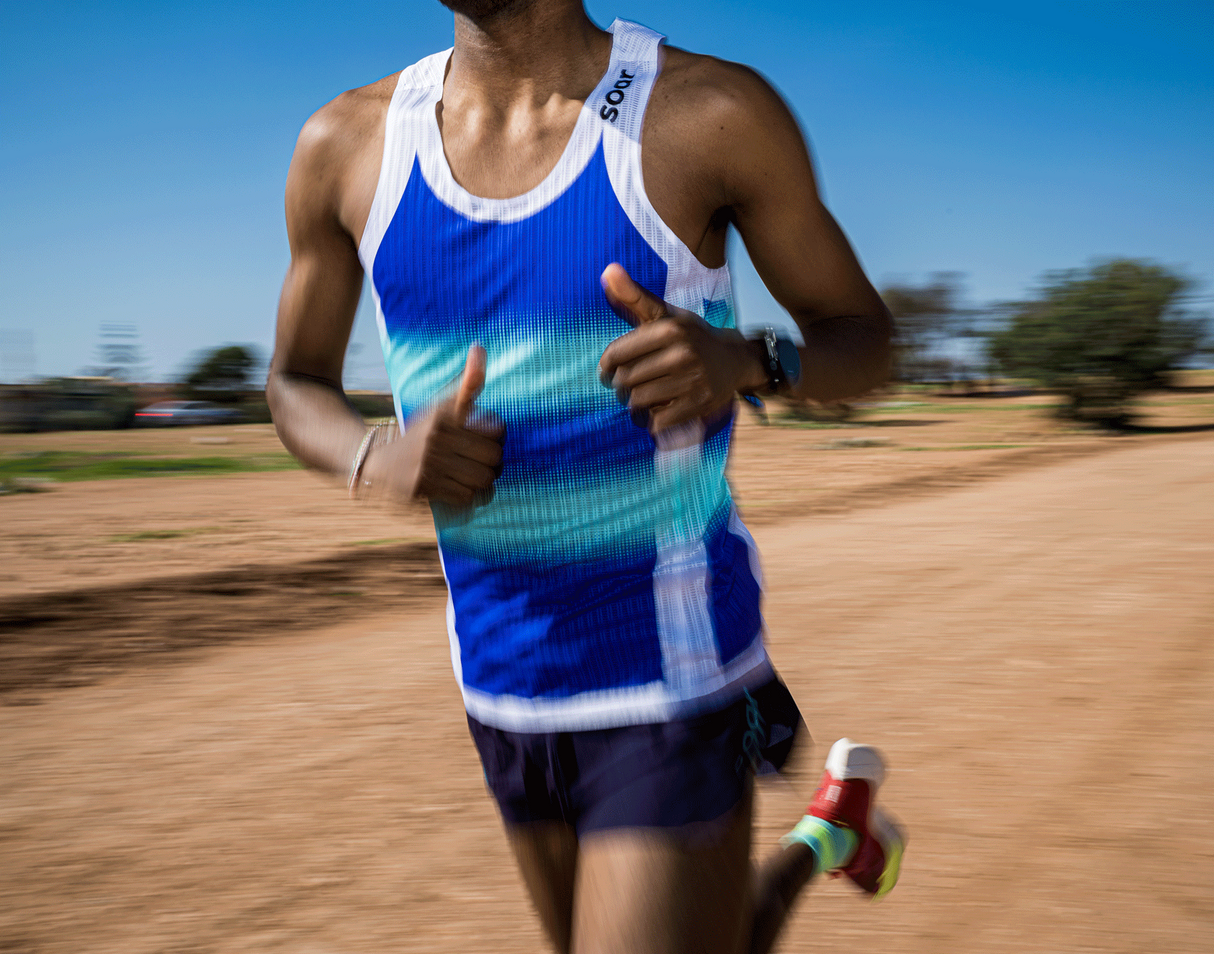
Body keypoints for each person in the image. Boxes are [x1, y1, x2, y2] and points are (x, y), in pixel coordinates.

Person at [267, 2, 903, 952]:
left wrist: (747, 363)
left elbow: (869, 343)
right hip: (501, 683)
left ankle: (825, 836)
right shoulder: (346, 144)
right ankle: (827, 836)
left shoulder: (705, 112)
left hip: (670, 679)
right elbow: (293, 381)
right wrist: (375, 455)